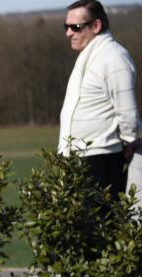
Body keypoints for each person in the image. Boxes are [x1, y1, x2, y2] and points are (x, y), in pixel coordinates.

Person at [58, 0, 141, 196]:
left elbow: (127, 112)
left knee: (99, 224)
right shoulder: (91, 55)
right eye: (66, 27)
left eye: (75, 27)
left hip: (100, 159)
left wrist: (129, 141)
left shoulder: (114, 58)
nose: (68, 33)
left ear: (96, 26)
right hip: (78, 158)